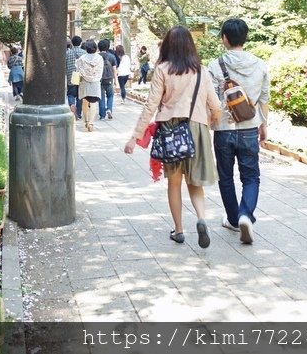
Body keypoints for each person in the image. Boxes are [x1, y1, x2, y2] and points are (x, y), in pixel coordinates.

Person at [124, 26, 222, 248]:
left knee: (175, 183)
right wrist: (215, 122)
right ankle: (201, 219)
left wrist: (135, 137)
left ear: (168, 44)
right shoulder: (201, 71)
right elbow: (215, 105)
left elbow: (151, 105)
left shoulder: (163, 69)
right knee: (195, 182)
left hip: (171, 130)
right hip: (196, 128)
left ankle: (179, 230)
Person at [206, 18, 270, 245]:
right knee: (251, 176)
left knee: (226, 177)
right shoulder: (260, 64)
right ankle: (246, 214)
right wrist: (264, 125)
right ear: (245, 37)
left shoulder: (215, 66)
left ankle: (233, 219)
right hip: (250, 128)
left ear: (224, 38)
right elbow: (264, 99)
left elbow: (211, 101)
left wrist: (210, 124)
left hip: (223, 130)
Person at [75, 40, 104, 132]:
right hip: (95, 82)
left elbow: (78, 69)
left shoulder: (82, 58)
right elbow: (100, 70)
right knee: (94, 103)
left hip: (84, 82)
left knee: (85, 102)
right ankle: (91, 123)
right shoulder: (99, 58)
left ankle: (86, 121)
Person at [65, 36, 85, 119]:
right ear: (80, 43)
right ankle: (79, 114)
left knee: (71, 94)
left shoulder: (67, 53)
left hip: (71, 76)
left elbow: (64, 66)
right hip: (81, 76)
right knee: (80, 96)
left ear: (72, 43)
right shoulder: (84, 53)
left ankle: (72, 105)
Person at [98, 39, 118, 120]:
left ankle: (102, 115)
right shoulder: (112, 57)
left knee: (101, 97)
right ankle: (109, 109)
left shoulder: (97, 56)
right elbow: (114, 70)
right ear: (107, 47)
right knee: (110, 95)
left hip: (100, 80)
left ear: (98, 47)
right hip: (109, 79)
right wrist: (116, 81)